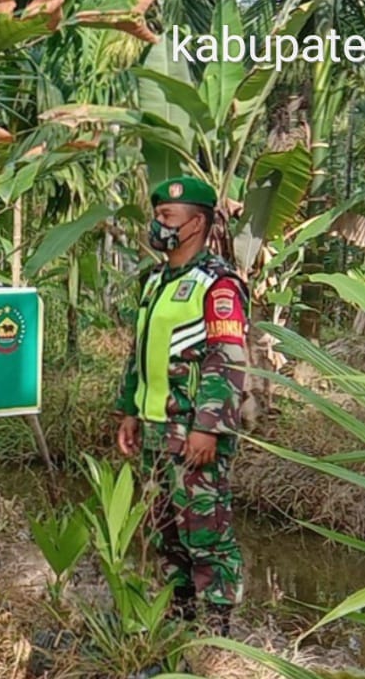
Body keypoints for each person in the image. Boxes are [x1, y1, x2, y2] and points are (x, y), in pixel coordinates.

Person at [114, 175, 249, 635]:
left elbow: (226, 358)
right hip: (154, 429)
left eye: (167, 217)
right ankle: (178, 618)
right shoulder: (154, 282)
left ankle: (216, 629)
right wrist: (129, 410)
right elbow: (139, 352)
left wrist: (209, 426)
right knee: (165, 532)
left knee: (205, 531)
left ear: (196, 224)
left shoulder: (219, 285)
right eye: (156, 215)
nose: (157, 224)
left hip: (192, 430)